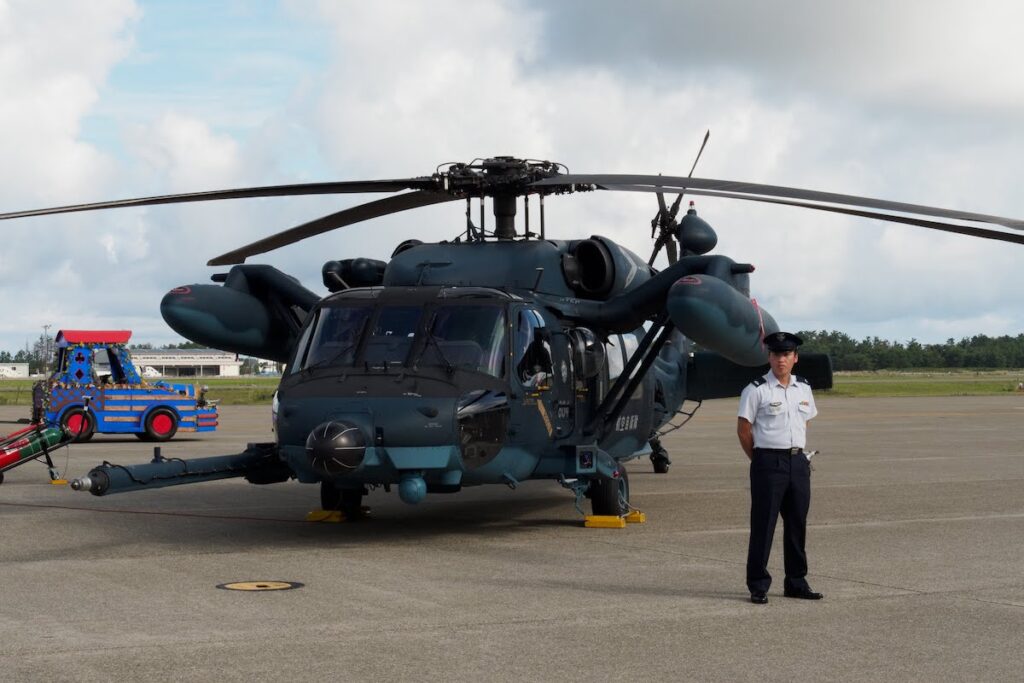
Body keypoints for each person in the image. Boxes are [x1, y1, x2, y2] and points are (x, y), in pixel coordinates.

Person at [737, 331, 823, 605]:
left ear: (795, 358)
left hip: (798, 462)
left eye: (786, 355)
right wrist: (761, 459)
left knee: (797, 524)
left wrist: (793, 452)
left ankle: (796, 582)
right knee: (764, 525)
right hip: (768, 463)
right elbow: (743, 430)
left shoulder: (804, 388)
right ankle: (758, 584)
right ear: (769, 357)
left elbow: (805, 421)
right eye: (776, 354)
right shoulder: (756, 389)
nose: (781, 360)